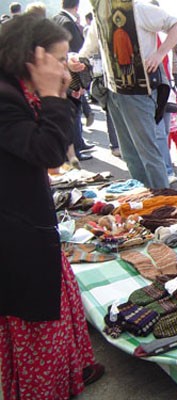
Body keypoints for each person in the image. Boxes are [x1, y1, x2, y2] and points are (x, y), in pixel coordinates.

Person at [0, 14, 104, 399]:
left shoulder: (15, 88)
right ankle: (46, 390)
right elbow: (50, 153)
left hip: (28, 221)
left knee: (55, 304)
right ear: (32, 57)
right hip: (16, 232)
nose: (66, 66)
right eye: (60, 59)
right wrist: (53, 96)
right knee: (35, 320)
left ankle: (69, 374)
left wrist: (64, 94)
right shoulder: (5, 97)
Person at [79, 1, 177, 189]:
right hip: (114, 91)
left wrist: (159, 54)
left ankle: (164, 202)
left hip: (138, 91)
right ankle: (145, 197)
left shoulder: (140, 9)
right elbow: (89, 48)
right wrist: (78, 61)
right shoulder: (100, 14)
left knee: (148, 152)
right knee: (130, 154)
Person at [53, 0, 95, 162]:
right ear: (77, 7)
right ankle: (75, 150)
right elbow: (78, 55)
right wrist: (80, 84)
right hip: (70, 75)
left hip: (60, 73)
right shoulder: (68, 23)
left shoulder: (56, 19)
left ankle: (78, 144)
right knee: (74, 112)